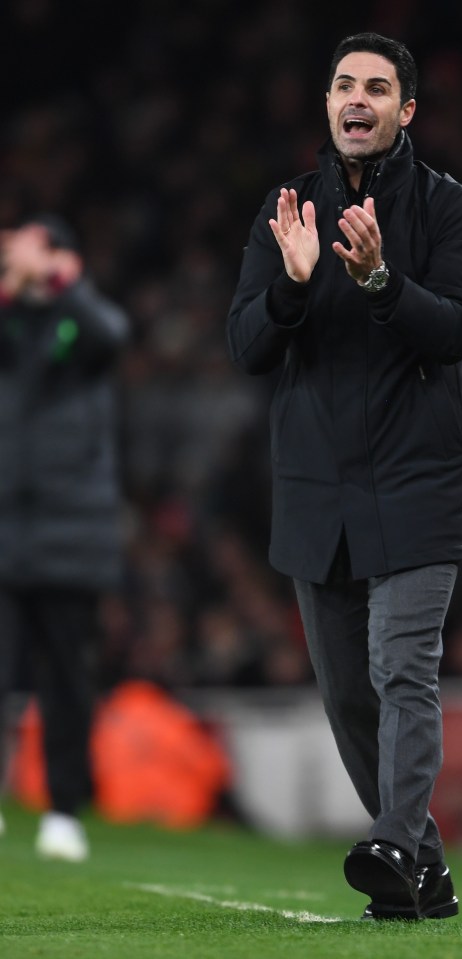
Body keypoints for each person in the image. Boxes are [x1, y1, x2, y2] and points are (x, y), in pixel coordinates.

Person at [227, 32, 462, 918]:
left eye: (376, 88)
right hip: (317, 494)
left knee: (400, 670)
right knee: (348, 697)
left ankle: (390, 839)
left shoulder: (452, 213)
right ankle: (424, 865)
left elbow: (456, 329)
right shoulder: (288, 214)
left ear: (404, 110)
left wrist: (381, 280)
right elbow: (247, 347)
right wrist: (293, 289)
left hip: (417, 487)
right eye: (344, 83)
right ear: (328, 102)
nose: (357, 99)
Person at [0, 214, 129, 860]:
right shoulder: (10, 322)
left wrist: (57, 279)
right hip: (5, 529)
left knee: (66, 681)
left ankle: (63, 809)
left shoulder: (81, 321)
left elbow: (112, 333)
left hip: (72, 534)